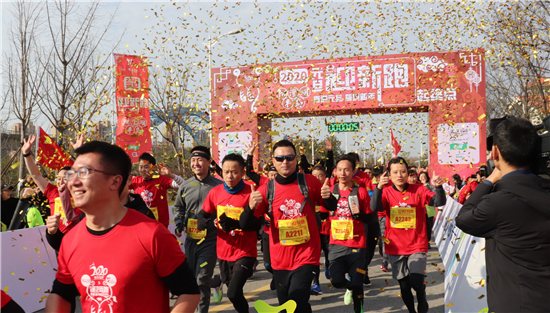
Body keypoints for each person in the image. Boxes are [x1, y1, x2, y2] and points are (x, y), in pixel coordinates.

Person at [45, 141, 200, 313]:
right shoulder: (70, 241)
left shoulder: (152, 235)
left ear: (115, 182)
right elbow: (61, 294)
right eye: (72, 174)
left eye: (84, 173)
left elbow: (189, 292)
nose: (73, 182)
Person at [455, 116, 550, 312]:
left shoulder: (497, 204)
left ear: (495, 151)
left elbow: (464, 218)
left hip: (515, 304)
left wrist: (490, 180)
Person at [239, 139, 336, 313]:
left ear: (296, 160)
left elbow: (331, 206)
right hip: (280, 260)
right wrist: (250, 207)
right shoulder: (266, 190)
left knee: (296, 302)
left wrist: (328, 197)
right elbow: (245, 225)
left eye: (290, 157)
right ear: (274, 161)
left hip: (307, 256)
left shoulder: (309, 182)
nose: (285, 162)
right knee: (288, 308)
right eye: (280, 158)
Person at [371, 157, 446, 313]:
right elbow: (374, 207)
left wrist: (438, 187)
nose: (400, 175)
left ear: (409, 173)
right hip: (395, 247)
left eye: (403, 171)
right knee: (404, 286)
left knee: (416, 281)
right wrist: (378, 187)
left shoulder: (419, 189)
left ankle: (422, 297)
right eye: (395, 172)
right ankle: (412, 311)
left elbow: (438, 202)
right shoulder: (386, 192)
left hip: (416, 245)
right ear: (389, 175)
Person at [197, 153, 260, 313]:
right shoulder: (215, 192)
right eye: (226, 172)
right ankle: (219, 282)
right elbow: (202, 217)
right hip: (224, 252)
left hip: (245, 251)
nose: (230, 176)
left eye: (234, 172)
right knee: (235, 292)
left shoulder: (251, 193)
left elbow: (257, 225)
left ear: (242, 172)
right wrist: (211, 222)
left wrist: (236, 224)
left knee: (232, 293)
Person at [174, 146, 223, 313]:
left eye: (200, 160)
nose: (196, 163)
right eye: (193, 160)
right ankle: (215, 283)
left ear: (209, 162)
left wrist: (219, 219)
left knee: (201, 279)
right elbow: (178, 207)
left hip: (210, 241)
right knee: (192, 280)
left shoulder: (219, 186)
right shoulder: (186, 186)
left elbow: (225, 208)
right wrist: (179, 223)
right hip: (190, 241)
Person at [322, 154, 374, 312]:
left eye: (346, 170)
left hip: (357, 245)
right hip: (336, 244)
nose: (343, 173)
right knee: (336, 281)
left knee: (358, 283)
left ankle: (359, 309)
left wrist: (359, 215)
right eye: (339, 170)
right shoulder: (330, 191)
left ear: (353, 172)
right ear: (335, 172)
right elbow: (323, 214)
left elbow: (371, 218)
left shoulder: (361, 192)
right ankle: (349, 288)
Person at [21, 135, 82, 236]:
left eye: (65, 178)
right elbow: (36, 175)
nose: (60, 181)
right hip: (56, 239)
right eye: (58, 178)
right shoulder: (53, 192)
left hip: (78, 237)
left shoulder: (82, 195)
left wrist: (81, 153)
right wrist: (26, 154)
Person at [130, 152, 184, 227]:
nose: (143, 170)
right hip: (141, 224)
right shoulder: (135, 181)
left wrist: (170, 175)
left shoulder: (161, 180)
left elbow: (183, 185)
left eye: (146, 167)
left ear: (153, 167)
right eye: (140, 167)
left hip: (160, 225)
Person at [311, 164, 330, 295]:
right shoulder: (308, 190)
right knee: (314, 258)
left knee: (329, 255)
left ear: (325, 177)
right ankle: (316, 283)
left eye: (320, 175)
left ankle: (328, 263)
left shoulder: (330, 190)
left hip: (329, 230)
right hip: (314, 230)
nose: (317, 178)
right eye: (314, 176)